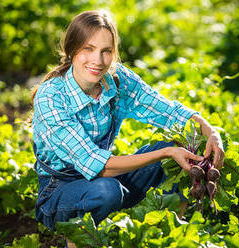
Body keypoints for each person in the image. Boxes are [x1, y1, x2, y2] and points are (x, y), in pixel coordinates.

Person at [31, 9, 224, 232]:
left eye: (106, 51)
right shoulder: (52, 97)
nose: (98, 60)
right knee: (107, 191)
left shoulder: (117, 80)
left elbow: (170, 112)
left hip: (108, 179)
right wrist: (165, 153)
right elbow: (98, 166)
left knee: (183, 148)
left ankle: (173, 232)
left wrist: (211, 133)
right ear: (72, 50)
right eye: (88, 49)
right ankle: (78, 239)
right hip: (61, 193)